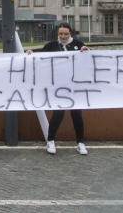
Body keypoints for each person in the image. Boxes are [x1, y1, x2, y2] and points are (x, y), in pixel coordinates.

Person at [27, 22, 89, 155]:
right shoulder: (52, 45)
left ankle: (80, 143)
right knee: (58, 114)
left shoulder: (78, 44)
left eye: (66, 34)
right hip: (58, 86)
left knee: (76, 114)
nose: (63, 36)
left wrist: (86, 51)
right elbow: (41, 55)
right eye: (61, 34)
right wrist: (31, 52)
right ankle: (50, 141)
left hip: (74, 86)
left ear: (70, 33)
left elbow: (88, 59)